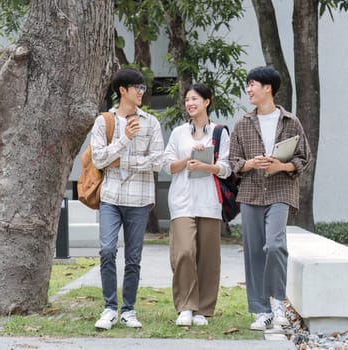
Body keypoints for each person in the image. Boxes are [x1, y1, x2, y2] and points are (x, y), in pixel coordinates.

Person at [229, 66, 312, 331]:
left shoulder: (291, 121)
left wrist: (282, 167)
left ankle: (278, 305)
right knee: (254, 252)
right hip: (251, 192)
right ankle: (261, 310)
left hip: (280, 191)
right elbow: (233, 162)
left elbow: (303, 158)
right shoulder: (243, 123)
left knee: (275, 245)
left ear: (268, 88)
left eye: (252, 84)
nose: (248, 89)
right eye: (248, 84)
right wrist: (250, 163)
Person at [91, 68, 164, 330]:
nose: (141, 92)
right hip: (110, 196)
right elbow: (99, 159)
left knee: (133, 258)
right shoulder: (104, 121)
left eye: (143, 88)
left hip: (140, 199)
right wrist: (125, 139)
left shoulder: (151, 122)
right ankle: (110, 308)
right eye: (138, 88)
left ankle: (128, 310)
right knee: (107, 250)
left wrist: (123, 161)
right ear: (123, 90)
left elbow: (158, 162)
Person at [162, 83, 232, 327]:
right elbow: (167, 165)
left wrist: (205, 165)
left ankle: (203, 309)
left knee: (208, 258)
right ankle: (185, 306)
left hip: (210, 201)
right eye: (187, 100)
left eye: (195, 99)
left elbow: (226, 168)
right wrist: (189, 157)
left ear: (207, 101)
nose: (190, 104)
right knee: (184, 252)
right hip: (181, 200)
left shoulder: (220, 132)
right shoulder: (178, 132)